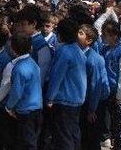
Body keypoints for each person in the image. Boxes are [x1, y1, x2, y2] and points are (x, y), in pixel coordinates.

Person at [45, 19, 87, 150]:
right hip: (77, 98)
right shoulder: (78, 50)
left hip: (64, 99)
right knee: (73, 133)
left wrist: (50, 97)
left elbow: (56, 76)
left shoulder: (64, 51)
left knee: (63, 137)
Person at [5, 33, 43, 150]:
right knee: (32, 140)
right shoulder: (33, 63)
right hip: (37, 107)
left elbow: (16, 92)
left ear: (12, 49)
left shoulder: (19, 68)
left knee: (26, 142)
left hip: (25, 111)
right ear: (30, 48)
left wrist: (9, 106)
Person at [100, 20, 121, 150]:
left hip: (120, 91)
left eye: (106, 34)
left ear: (114, 36)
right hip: (109, 90)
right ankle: (117, 143)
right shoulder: (105, 49)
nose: (103, 37)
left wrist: (120, 95)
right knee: (114, 120)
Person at [79, 24, 110, 150]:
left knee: (92, 136)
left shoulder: (94, 59)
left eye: (81, 33)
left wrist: (92, 109)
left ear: (89, 40)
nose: (77, 35)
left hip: (94, 103)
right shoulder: (79, 54)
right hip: (84, 101)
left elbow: (95, 86)